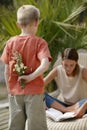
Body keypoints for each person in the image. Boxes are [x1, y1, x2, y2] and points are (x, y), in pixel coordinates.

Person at [0, 5, 52, 130]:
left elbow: (6, 70)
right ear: (36, 22)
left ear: (18, 24)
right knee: (37, 127)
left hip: (14, 93)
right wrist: (30, 77)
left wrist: (10, 90)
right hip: (34, 93)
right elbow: (45, 64)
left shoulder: (10, 43)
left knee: (15, 126)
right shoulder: (40, 43)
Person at [44, 48, 87, 118]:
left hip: (79, 104)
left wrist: (84, 107)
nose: (68, 68)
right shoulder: (58, 70)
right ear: (62, 61)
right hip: (62, 105)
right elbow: (40, 85)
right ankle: (66, 110)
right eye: (65, 65)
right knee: (41, 96)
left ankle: (66, 110)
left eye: (71, 65)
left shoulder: (83, 71)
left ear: (76, 62)